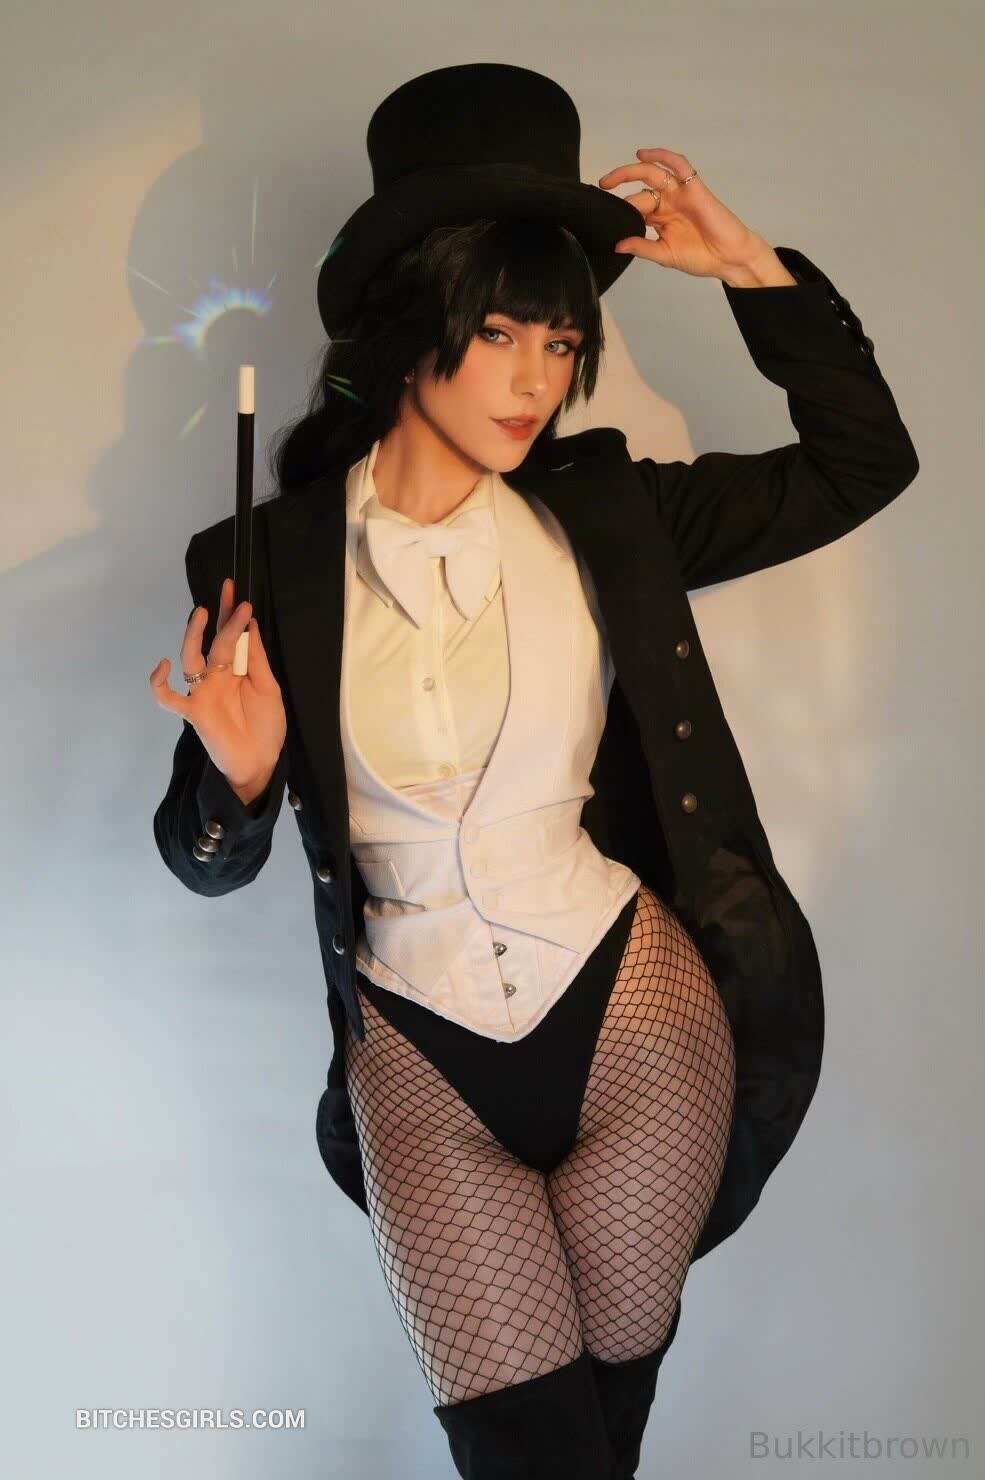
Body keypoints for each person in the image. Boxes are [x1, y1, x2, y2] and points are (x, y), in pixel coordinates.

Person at [149, 64, 918, 1480]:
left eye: (561, 342)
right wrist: (237, 785)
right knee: (534, 1454)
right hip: (414, 1050)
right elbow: (203, 860)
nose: (534, 379)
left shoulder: (612, 513)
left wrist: (755, 273)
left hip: (634, 1015)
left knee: (589, 1446)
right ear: (406, 334)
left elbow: (861, 464)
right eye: (497, 331)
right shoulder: (258, 561)